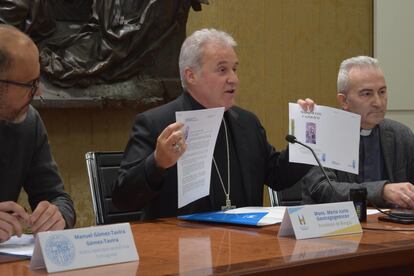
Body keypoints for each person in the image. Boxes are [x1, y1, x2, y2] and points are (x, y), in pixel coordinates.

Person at [112, 28, 314, 220]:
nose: (233, 79)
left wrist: (307, 137)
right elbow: (123, 199)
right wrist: (157, 163)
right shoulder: (156, 123)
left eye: (235, 69)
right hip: (181, 248)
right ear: (191, 75)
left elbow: (278, 177)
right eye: (222, 70)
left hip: (246, 245)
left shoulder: (247, 123)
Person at [300, 56, 414, 209]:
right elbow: (322, 190)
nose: (378, 102)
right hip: (333, 227)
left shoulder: (401, 135)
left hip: (392, 229)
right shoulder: (319, 133)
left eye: (382, 92)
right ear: (344, 101)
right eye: (366, 94)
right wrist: (381, 191)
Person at [0, 25, 75, 242]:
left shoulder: (28, 123)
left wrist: (57, 214)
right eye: (30, 85)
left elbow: (56, 196)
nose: (38, 93)